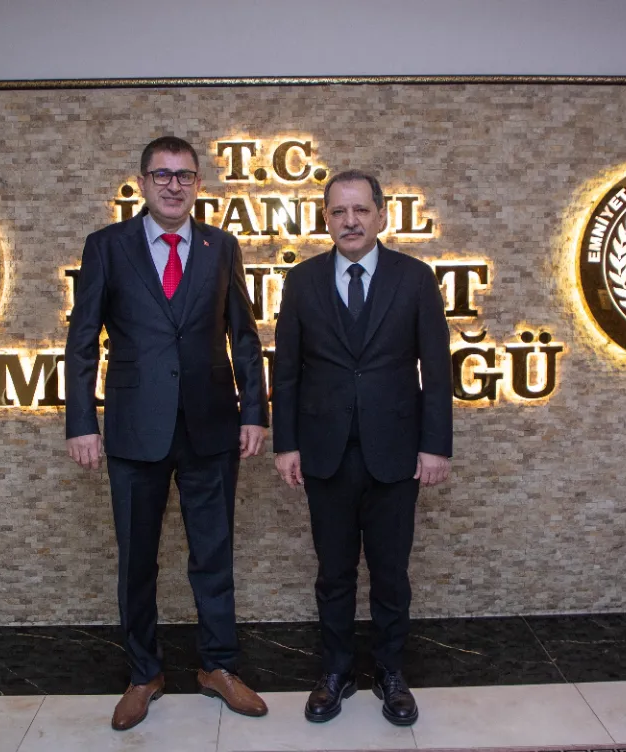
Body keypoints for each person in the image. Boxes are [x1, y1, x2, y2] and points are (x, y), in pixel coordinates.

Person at [65, 136, 270, 730]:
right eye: (162, 174)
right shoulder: (107, 246)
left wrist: (254, 412)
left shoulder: (220, 246)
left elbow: (244, 337)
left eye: (184, 175)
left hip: (212, 426)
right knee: (137, 559)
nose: (173, 185)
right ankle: (143, 674)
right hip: (135, 428)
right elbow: (82, 342)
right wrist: (82, 422)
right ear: (143, 182)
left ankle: (219, 667)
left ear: (198, 184)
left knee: (214, 554)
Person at [272, 170, 453, 726]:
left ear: (381, 215)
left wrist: (435, 446)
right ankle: (336, 671)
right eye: (338, 212)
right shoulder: (302, 281)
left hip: (396, 451)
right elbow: (287, 370)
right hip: (324, 452)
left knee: (391, 572)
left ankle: (390, 672)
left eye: (360, 210)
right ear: (325, 219)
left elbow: (436, 369)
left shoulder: (414, 278)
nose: (349, 221)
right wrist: (286, 444)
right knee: (333, 572)